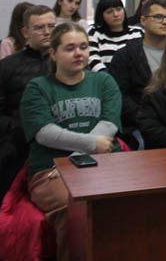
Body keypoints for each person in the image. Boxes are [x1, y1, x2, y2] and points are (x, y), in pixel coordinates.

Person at [20, 23, 122, 259]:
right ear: (53, 53)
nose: (79, 53)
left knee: (129, 203)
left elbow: (109, 125)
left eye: (83, 47)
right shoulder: (38, 87)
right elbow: (45, 133)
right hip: (49, 171)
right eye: (70, 48)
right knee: (77, 210)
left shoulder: (104, 81)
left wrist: (75, 158)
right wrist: (91, 146)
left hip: (101, 163)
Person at [0, 4, 54, 212]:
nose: (47, 32)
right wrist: (15, 128)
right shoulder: (6, 67)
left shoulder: (66, 63)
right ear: (25, 32)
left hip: (62, 141)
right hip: (19, 142)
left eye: (51, 26)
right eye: (39, 27)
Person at [108, 0, 166, 147]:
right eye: (158, 17)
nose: (165, 22)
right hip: (139, 124)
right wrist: (148, 118)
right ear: (143, 20)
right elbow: (120, 96)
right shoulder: (126, 55)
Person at [86, 0, 144, 71]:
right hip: (103, 76)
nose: (116, 14)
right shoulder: (94, 32)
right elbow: (92, 59)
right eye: (109, 12)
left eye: (119, 9)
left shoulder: (137, 32)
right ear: (101, 15)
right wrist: (107, 77)